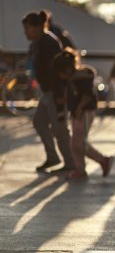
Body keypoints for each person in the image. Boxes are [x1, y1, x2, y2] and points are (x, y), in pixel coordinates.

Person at [22, 11, 75, 172]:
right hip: (47, 92)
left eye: (27, 29)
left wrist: (60, 96)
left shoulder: (49, 43)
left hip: (56, 92)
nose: (25, 33)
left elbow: (58, 72)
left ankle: (71, 163)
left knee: (60, 129)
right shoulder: (38, 43)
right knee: (39, 122)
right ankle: (52, 157)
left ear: (38, 27)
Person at [52, 49, 113, 180]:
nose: (60, 76)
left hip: (84, 113)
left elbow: (86, 95)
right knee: (75, 144)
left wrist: (79, 108)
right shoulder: (73, 79)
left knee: (80, 143)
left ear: (66, 70)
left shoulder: (81, 78)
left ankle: (103, 160)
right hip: (77, 113)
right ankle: (80, 169)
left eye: (60, 73)